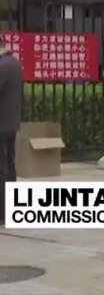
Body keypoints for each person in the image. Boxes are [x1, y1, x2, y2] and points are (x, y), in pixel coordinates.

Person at [0, 38, 22, 226]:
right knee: (10, 166)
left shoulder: (3, 65)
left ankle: (2, 212)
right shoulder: (14, 63)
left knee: (2, 168)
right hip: (11, 124)